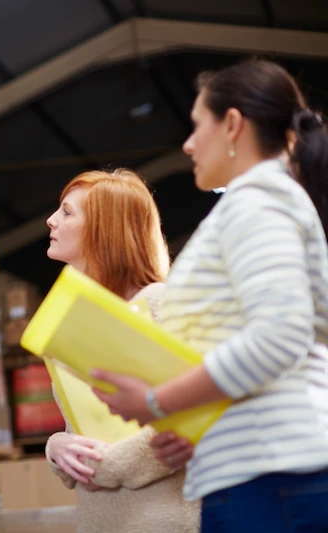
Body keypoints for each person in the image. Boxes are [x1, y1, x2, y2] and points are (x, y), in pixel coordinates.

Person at [92, 60, 328, 532]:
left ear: (233, 125)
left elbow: (280, 335)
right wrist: (205, 424)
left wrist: (157, 401)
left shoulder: (257, 200)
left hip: (272, 477)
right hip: (258, 470)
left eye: (198, 125)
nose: (188, 143)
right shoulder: (261, 201)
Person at [44, 169, 200, 533]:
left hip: (162, 518)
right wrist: (57, 448)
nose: (51, 220)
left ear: (104, 228)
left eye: (67, 212)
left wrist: (108, 466)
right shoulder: (74, 321)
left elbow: (192, 416)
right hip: (98, 517)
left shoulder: (161, 305)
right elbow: (82, 422)